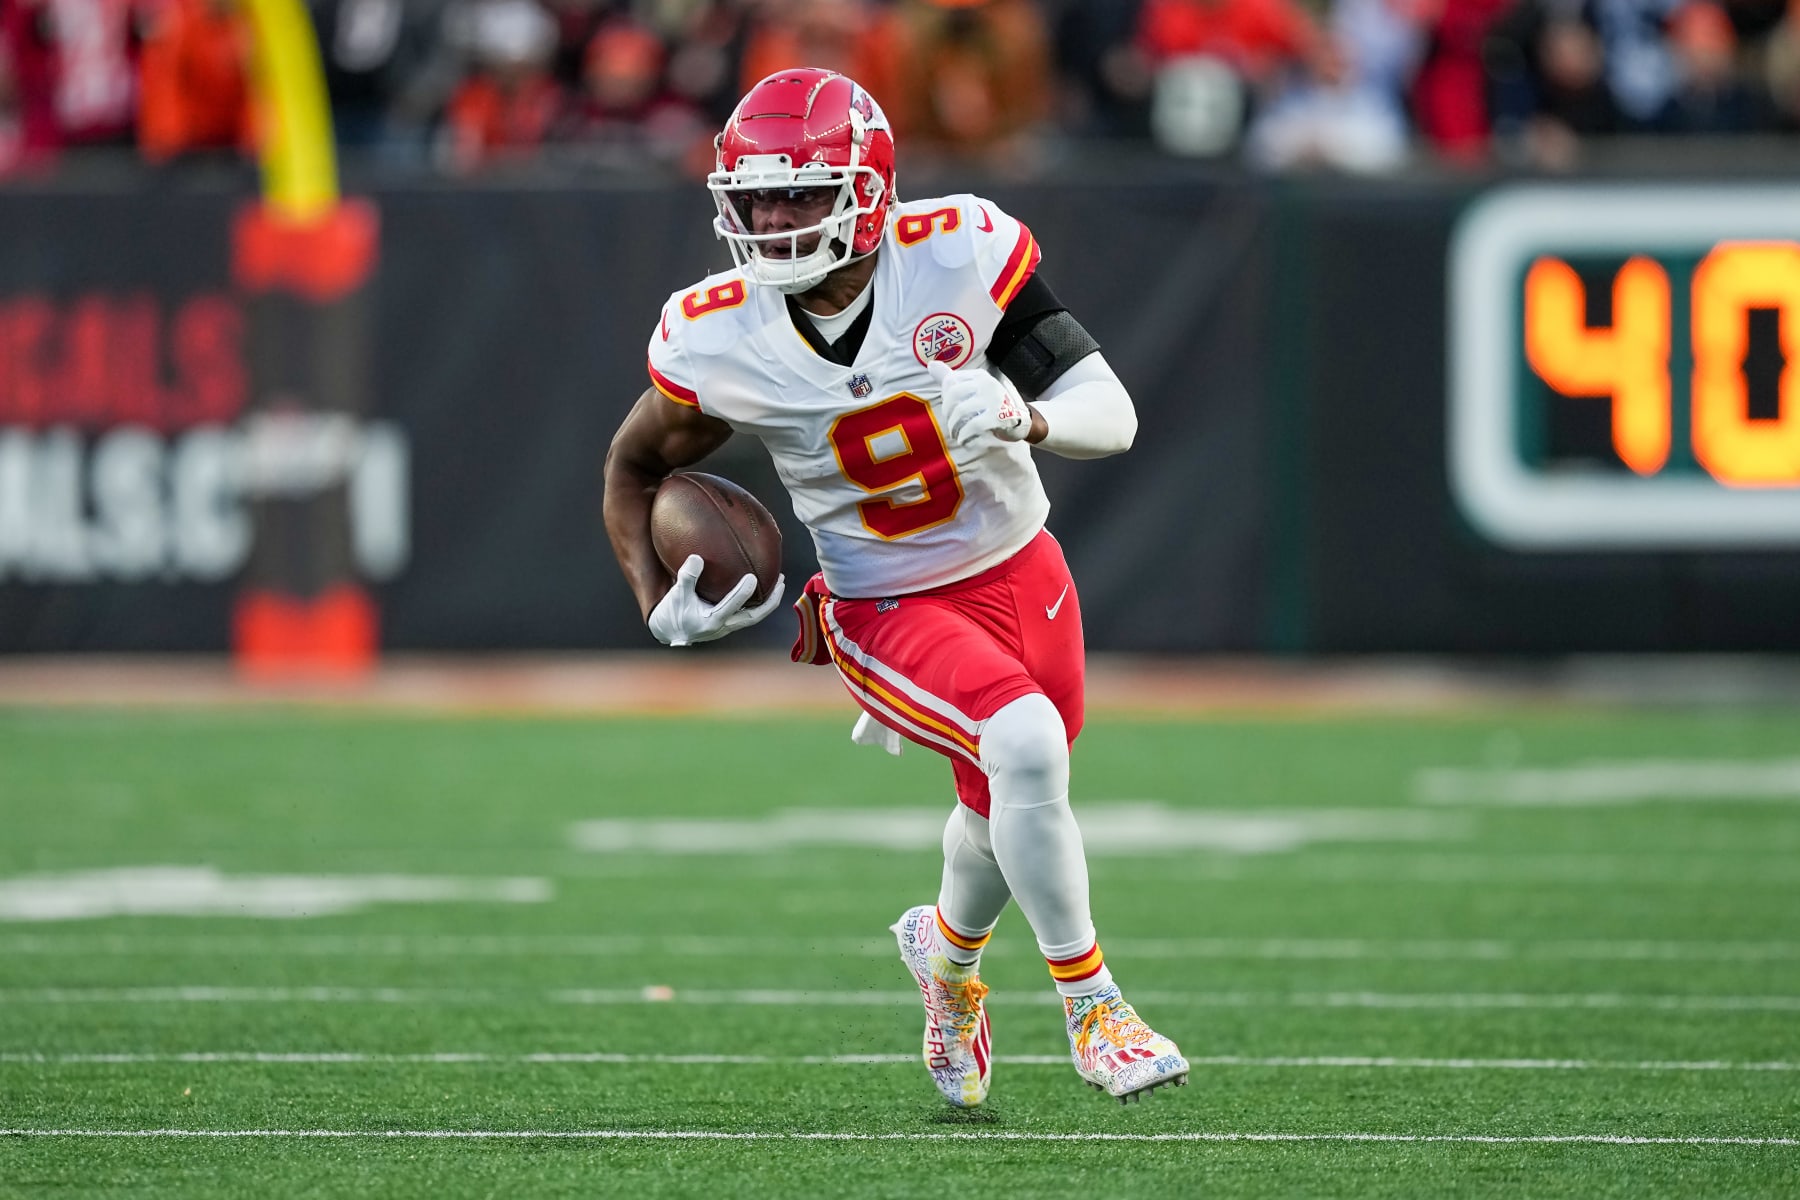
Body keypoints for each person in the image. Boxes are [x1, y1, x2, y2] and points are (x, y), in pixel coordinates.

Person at [602, 66, 1189, 1107]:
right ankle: (1095, 1006)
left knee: (1002, 802)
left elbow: (1113, 409)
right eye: (756, 198)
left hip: (1022, 564)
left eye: (799, 194)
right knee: (1023, 747)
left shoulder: (957, 255)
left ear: (867, 190)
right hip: (883, 601)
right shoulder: (723, 332)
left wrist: (1028, 419)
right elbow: (632, 465)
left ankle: (949, 967)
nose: (773, 220)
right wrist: (654, 592)